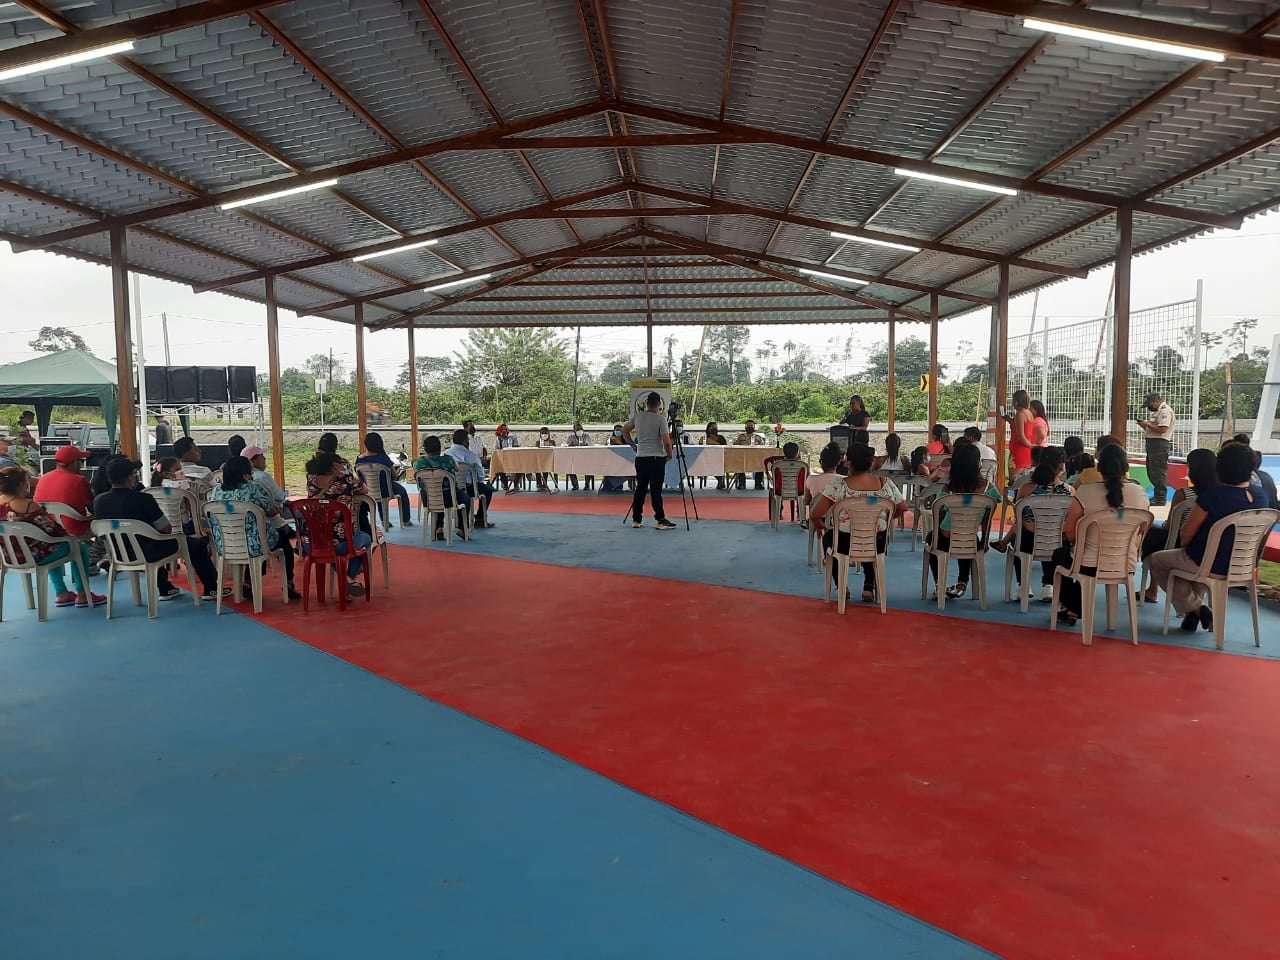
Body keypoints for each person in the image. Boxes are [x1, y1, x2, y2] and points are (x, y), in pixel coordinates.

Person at [1147, 442, 1266, 632]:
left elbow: (1187, 533)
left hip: (1208, 563)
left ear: (1220, 468)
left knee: (1159, 561)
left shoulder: (1213, 496)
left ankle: (1197, 608)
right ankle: (1192, 615)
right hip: (1243, 565)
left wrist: (1189, 548)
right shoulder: (1261, 497)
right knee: (1194, 565)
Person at [93, 457, 227, 602]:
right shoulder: (143, 499)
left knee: (147, 542)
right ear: (130, 476)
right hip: (149, 552)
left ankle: (166, 588)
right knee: (197, 544)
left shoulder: (99, 501)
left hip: (118, 553)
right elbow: (166, 529)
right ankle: (212, 588)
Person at [1050, 444, 1150, 626]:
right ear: (1126, 467)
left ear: (1099, 468)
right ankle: (1075, 608)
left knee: (1059, 555)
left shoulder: (1085, 492)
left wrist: (1078, 545)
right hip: (1125, 563)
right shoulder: (1140, 492)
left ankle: (1073, 606)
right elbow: (1143, 529)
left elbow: (1070, 531)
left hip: (1088, 564)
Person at [810, 442, 907, 604]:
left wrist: (820, 526)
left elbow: (815, 514)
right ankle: (869, 587)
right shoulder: (885, 483)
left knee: (829, 538)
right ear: (871, 462)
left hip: (844, 543)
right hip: (877, 542)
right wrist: (886, 519)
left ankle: (842, 586)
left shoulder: (839, 486)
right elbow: (902, 508)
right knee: (869, 537)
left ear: (848, 463)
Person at [1, 465, 104, 608]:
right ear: (20, 484)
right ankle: (82, 594)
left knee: (49, 545)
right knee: (77, 547)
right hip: (35, 555)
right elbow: (53, 530)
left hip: (10, 558)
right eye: (26, 481)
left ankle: (62, 593)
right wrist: (69, 536)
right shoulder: (28, 506)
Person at [209, 456, 300, 600]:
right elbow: (271, 510)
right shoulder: (254, 488)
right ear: (245, 474)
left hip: (226, 545)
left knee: (261, 537)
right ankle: (288, 582)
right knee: (281, 540)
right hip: (254, 543)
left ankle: (249, 581)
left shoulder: (216, 491)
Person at [991, 445, 1073, 602]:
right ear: (1061, 466)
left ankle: (1023, 585)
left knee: (1021, 536)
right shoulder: (1069, 491)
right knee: (1052, 536)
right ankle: (1048, 585)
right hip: (1057, 543)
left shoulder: (1026, 489)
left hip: (1028, 542)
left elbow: (1018, 519)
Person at [925, 443, 1000, 601]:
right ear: (978, 463)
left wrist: (937, 536)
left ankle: (939, 584)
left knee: (931, 537)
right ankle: (962, 582)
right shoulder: (989, 488)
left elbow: (938, 514)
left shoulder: (948, 489)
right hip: (970, 539)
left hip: (945, 539)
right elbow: (986, 520)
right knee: (967, 538)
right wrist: (984, 542)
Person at [1141, 448, 1217, 603]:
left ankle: (1153, 589)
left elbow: (1171, 526)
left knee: (1153, 534)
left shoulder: (1183, 494)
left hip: (1184, 545)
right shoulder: (1220, 496)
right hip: (1213, 547)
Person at [304, 451, 373, 595]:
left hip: (312, 542)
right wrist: (349, 472)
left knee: (332, 548)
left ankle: (346, 580)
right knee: (366, 538)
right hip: (340, 542)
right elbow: (365, 490)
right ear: (335, 465)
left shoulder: (311, 482)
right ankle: (348, 578)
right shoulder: (346, 480)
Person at [622, 391, 675, 529]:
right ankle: (660, 519)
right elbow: (666, 441)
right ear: (659, 404)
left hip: (641, 458)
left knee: (640, 489)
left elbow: (624, 430)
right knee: (656, 490)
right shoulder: (661, 419)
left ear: (646, 403)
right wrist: (670, 454)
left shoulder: (638, 417)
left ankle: (636, 520)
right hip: (656, 458)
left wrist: (633, 445)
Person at [414, 435, 471, 541]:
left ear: (425, 449)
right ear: (440, 448)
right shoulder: (448, 459)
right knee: (465, 499)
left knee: (437, 494)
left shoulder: (419, 462)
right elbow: (457, 469)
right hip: (449, 497)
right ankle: (462, 528)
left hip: (428, 498)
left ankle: (439, 528)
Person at [356, 432, 413, 528]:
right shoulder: (383, 458)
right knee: (402, 492)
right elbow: (394, 475)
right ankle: (406, 520)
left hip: (367, 490)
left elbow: (358, 476)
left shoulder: (359, 459)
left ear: (365, 444)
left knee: (377, 493)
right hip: (385, 489)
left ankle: (383, 520)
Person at [445, 429, 495, 528]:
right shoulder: (471, 455)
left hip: (450, 488)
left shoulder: (445, 454)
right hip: (469, 488)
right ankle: (480, 518)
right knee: (488, 490)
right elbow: (480, 475)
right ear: (465, 441)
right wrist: (479, 480)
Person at [1136, 391, 1174, 505]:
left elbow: (1163, 429)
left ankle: (1161, 498)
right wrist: (1145, 426)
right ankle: (1157, 496)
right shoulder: (1158, 412)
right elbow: (1154, 430)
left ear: (1156, 401)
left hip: (1160, 444)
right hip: (1153, 444)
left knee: (1158, 472)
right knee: (1152, 471)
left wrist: (1147, 424)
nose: (1149, 408)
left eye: (1150, 405)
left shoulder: (1164, 411)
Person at [803, 443, 842, 530]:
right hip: (837, 521)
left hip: (817, 519)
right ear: (839, 461)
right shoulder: (845, 481)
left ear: (820, 461)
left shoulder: (811, 479)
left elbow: (806, 501)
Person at [1005, 390, 1035, 473]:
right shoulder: (1029, 413)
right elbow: (1023, 428)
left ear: (1016, 402)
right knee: (1024, 477)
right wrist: (1010, 420)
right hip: (1026, 449)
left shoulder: (1019, 414)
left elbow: (1021, 437)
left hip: (1018, 450)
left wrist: (1032, 446)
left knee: (1015, 478)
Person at [734, 419, 768, 490]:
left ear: (754, 427)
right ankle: (742, 484)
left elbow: (763, 448)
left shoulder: (758, 437)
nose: (750, 427)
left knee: (761, 464)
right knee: (738, 463)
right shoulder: (741, 437)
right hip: (743, 458)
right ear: (745, 427)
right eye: (748, 426)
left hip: (755, 458)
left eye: (751, 426)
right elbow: (735, 447)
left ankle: (758, 484)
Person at [564, 421, 592, 491]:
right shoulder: (571, 437)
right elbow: (566, 446)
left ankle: (587, 485)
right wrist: (570, 445)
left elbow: (590, 446)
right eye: (577, 429)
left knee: (590, 466)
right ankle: (575, 485)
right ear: (574, 430)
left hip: (585, 458)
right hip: (574, 459)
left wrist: (587, 445)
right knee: (569, 466)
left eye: (581, 429)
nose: (579, 430)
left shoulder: (587, 436)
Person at [492, 424, 520, 493]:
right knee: (498, 467)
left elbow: (517, 448)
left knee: (520, 466)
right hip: (502, 460)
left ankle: (516, 484)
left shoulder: (513, 437)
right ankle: (505, 484)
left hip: (513, 459)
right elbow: (495, 450)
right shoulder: (497, 439)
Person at [703, 422, 727, 490]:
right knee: (708, 463)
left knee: (718, 463)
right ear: (708, 429)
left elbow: (725, 447)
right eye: (713, 428)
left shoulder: (721, 437)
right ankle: (720, 480)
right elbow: (701, 447)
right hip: (707, 458)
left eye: (716, 428)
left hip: (720, 457)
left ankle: (720, 480)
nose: (715, 429)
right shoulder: (705, 438)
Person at [534, 427, 556, 492]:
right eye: (543, 433)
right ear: (540, 434)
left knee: (545, 467)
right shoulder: (538, 442)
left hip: (549, 460)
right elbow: (535, 452)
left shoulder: (552, 442)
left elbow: (555, 451)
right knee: (536, 466)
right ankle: (539, 484)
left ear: (548, 434)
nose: (544, 435)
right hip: (540, 460)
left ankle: (545, 483)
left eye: (546, 433)